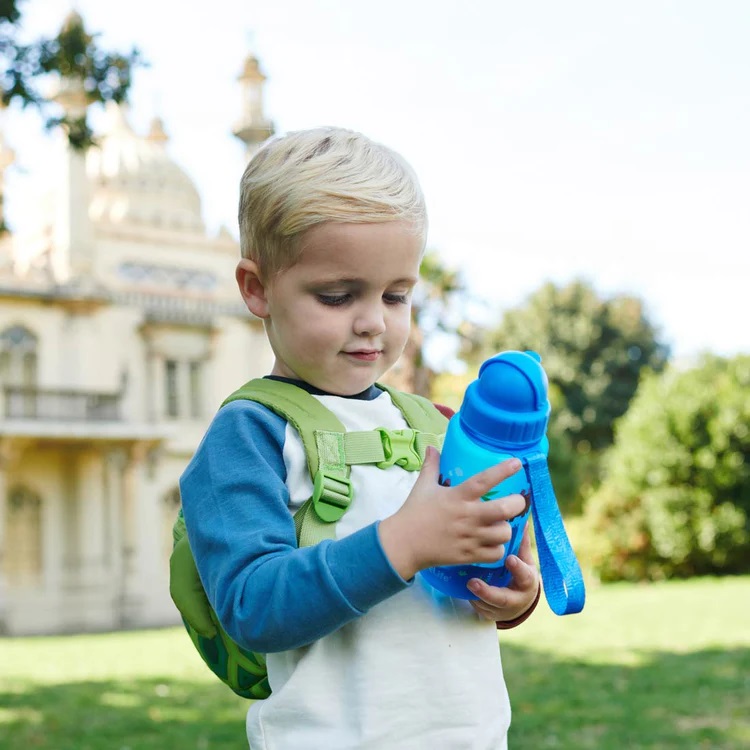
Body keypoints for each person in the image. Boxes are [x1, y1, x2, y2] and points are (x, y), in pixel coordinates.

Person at [179, 126, 541, 749]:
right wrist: (401, 544)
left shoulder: (432, 424)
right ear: (257, 288)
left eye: (397, 294)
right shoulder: (250, 435)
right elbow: (251, 606)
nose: (373, 320)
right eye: (338, 295)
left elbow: (476, 587)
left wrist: (513, 593)